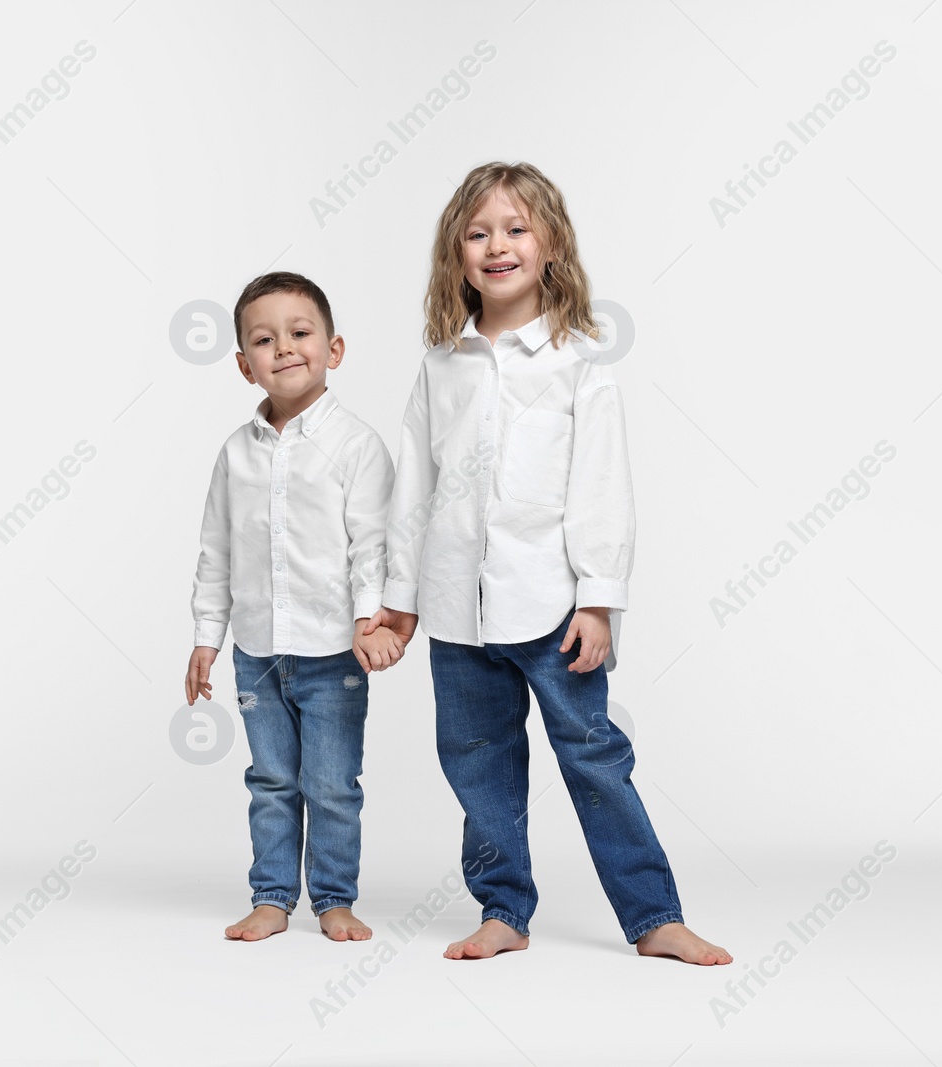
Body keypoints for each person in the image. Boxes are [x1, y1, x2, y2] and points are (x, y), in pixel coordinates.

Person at [364, 162, 732, 965]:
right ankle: (504, 908)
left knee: (594, 755)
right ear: (455, 254)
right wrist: (399, 597)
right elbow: (414, 489)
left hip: (553, 608)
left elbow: (602, 492)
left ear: (552, 245)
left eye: (516, 228)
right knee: (476, 763)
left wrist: (598, 600)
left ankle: (653, 914)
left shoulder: (580, 367)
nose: (497, 245)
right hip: (458, 612)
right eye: (478, 232)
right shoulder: (440, 367)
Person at [187, 271, 405, 942]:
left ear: (334, 348)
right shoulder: (235, 454)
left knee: (333, 783)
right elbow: (215, 549)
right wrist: (206, 637)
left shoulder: (357, 445)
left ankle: (333, 897)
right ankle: (273, 896)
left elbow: (373, 542)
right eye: (263, 338)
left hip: (334, 651)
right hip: (257, 652)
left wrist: (371, 617)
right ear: (244, 365)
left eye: (300, 332)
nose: (283, 347)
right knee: (271, 778)